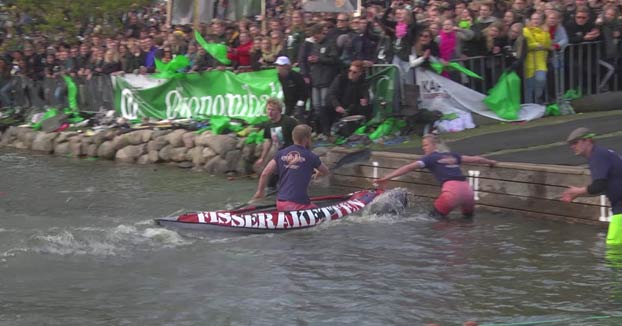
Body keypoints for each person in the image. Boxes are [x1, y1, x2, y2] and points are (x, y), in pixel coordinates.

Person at [375, 134, 497, 218]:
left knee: (432, 220)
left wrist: (387, 177)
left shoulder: (430, 158)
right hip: (468, 191)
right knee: (467, 222)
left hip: (452, 192)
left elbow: (409, 167)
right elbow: (475, 159)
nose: (424, 148)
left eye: (426, 145)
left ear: (434, 145)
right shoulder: (452, 155)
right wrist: (491, 162)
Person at [561, 127, 622, 245]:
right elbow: (605, 186)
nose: (572, 147)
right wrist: (578, 194)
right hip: (619, 208)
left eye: (575, 142)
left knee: (614, 250)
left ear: (588, 140)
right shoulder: (602, 154)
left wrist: (577, 191)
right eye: (570, 144)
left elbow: (598, 186)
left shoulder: (598, 156)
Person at [252, 124, 330, 211]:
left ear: (293, 137)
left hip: (280, 202)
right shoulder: (311, 156)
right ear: (306, 139)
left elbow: (265, 173)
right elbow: (326, 171)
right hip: (297, 204)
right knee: (320, 213)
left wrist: (260, 191)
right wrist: (319, 173)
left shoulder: (281, 153)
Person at [254, 98, 299, 190]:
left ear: (279, 110)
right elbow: (268, 141)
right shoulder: (268, 124)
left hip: (293, 154)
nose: (269, 112)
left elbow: (301, 136)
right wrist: (262, 158)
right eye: (268, 109)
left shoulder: (289, 122)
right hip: (280, 155)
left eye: (272, 110)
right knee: (270, 184)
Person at [274, 56, 307, 120]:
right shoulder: (279, 76)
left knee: (299, 116)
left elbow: (304, 89)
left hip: (299, 100)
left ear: (286, 66)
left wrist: (301, 100)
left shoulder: (296, 75)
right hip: (289, 102)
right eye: (277, 65)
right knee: (286, 117)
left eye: (281, 65)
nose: (279, 67)